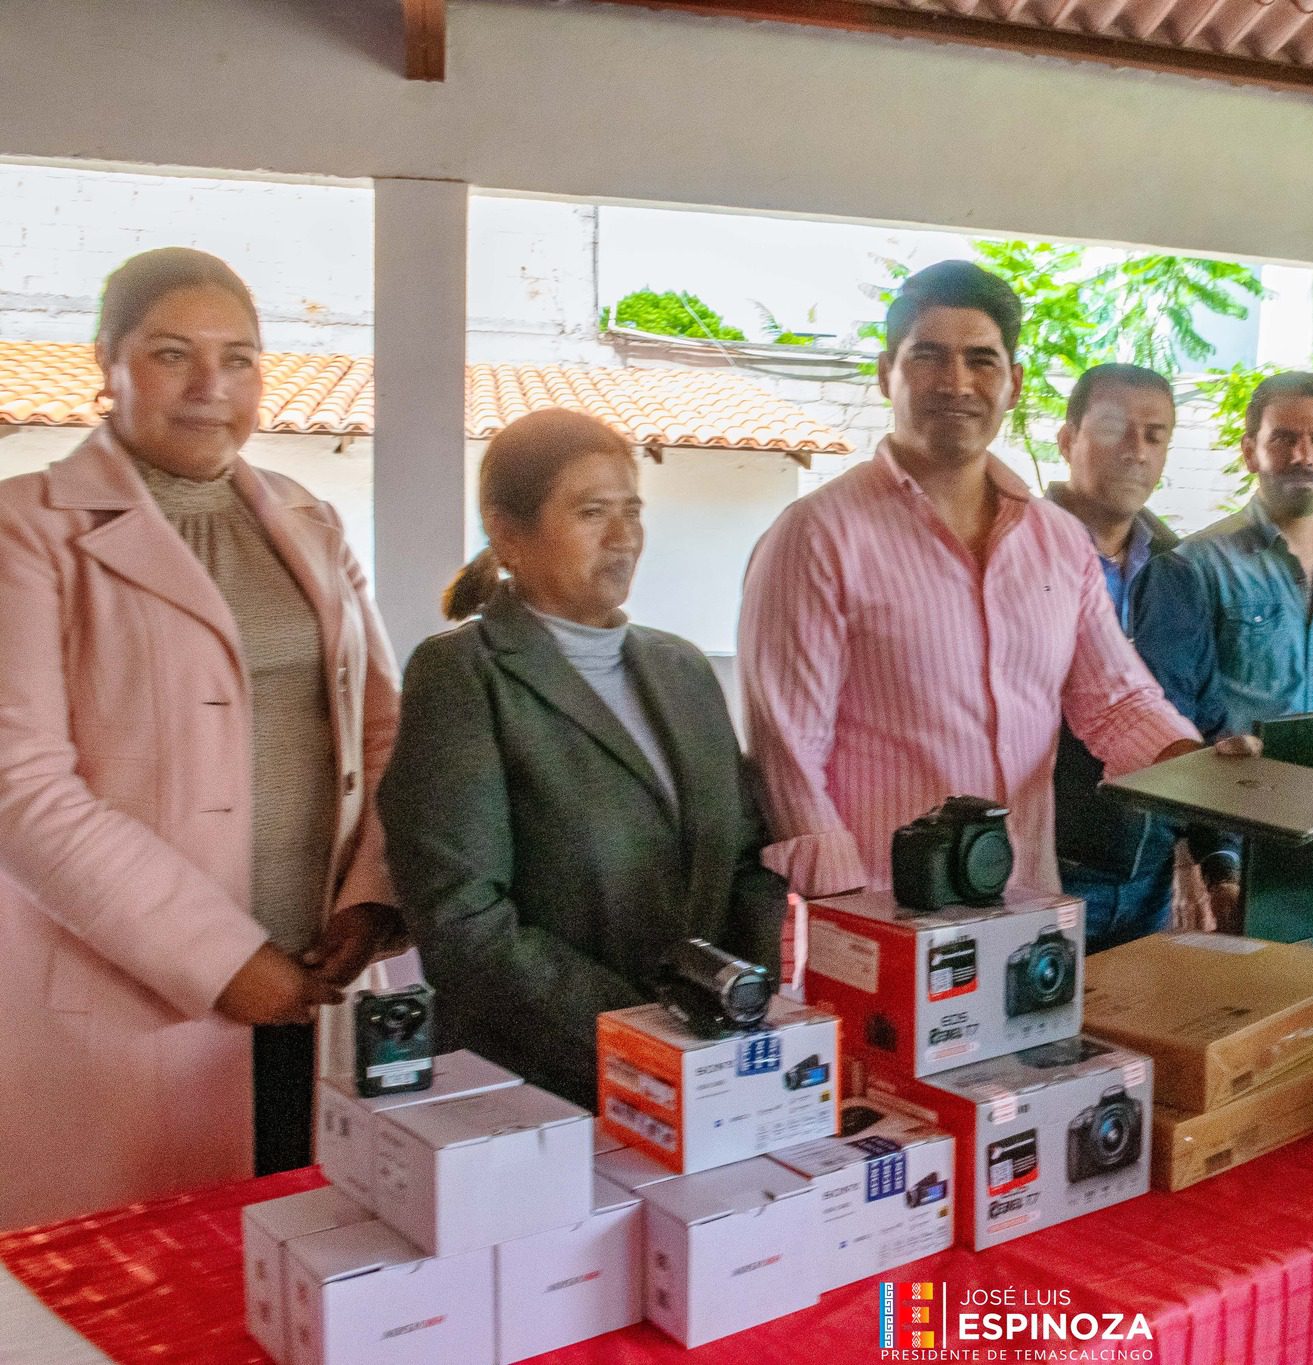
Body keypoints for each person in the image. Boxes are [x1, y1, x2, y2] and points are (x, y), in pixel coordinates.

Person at [0, 249, 403, 1227]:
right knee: (139, 1292)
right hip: (134, 999)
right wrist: (221, 958)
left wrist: (372, 900)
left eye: (240, 359)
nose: (210, 387)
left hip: (323, 977)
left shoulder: (311, 521)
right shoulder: (27, 529)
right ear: (109, 363)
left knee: (306, 1254)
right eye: (172, 354)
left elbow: (384, 724)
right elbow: (23, 788)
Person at [739, 261, 1225, 903]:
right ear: (887, 374)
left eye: (981, 360)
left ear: (1015, 383)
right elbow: (787, 754)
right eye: (929, 356)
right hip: (883, 919)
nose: (956, 382)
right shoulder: (817, 536)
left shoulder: (1057, 541)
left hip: (1028, 911)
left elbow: (1116, 702)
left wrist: (1200, 772)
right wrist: (849, 919)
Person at [378, 409, 787, 1110]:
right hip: (535, 1080)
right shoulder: (464, 676)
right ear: (508, 533)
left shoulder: (682, 668)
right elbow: (464, 918)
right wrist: (634, 1032)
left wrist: (735, 1001)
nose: (623, 537)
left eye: (633, 511)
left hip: (703, 1069)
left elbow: (748, 856)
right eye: (592, 512)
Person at [1130, 370, 1313, 929]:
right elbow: (1168, 724)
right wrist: (1195, 856)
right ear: (1251, 451)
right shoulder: (1195, 566)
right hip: (1232, 847)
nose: (1305, 455)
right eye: (1284, 439)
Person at [1045, 363, 1183, 950]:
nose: (1137, 451)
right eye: (1114, 428)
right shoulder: (1017, 557)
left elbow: (1199, 701)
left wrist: (1206, 851)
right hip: (1047, 869)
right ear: (1067, 439)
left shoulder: (1182, 573)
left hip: (1153, 876)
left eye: (1155, 435)